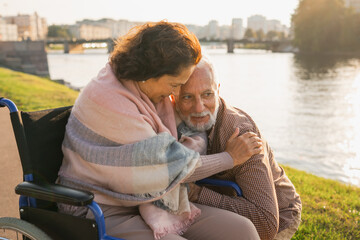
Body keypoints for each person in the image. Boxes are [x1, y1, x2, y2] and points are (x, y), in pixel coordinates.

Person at [57, 21, 260, 240]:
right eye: (174, 84)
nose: (175, 92)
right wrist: (230, 158)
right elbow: (167, 166)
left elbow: (175, 149)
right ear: (152, 72)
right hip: (97, 207)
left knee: (242, 230)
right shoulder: (111, 100)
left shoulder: (146, 90)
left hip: (149, 202)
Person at [174, 58, 302, 240]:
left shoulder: (243, 135)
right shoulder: (169, 121)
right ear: (174, 97)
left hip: (279, 215)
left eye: (207, 94)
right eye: (187, 96)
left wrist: (196, 194)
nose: (199, 107)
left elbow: (265, 222)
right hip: (215, 209)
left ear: (218, 90)